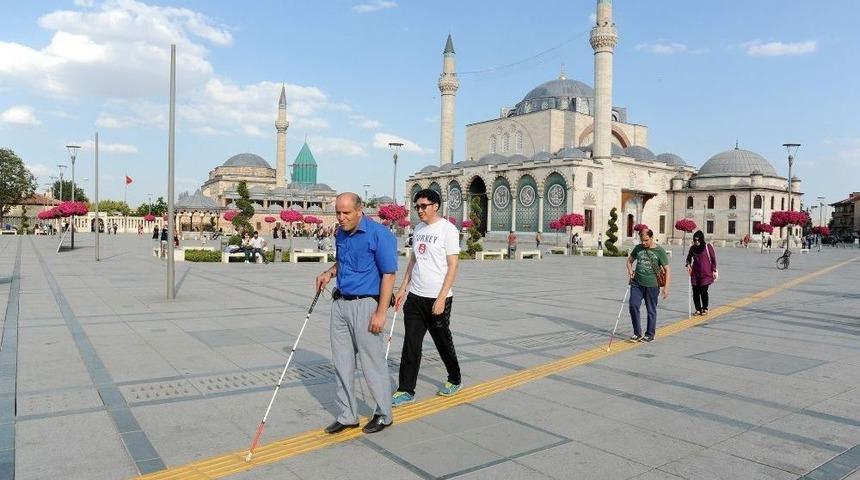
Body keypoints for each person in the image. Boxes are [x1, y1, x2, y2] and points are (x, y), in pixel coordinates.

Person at [315, 192, 396, 435]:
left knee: (372, 362)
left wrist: (381, 313)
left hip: (366, 305)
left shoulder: (379, 235)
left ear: (360, 210)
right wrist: (329, 272)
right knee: (341, 362)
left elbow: (389, 275)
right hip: (341, 304)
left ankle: (383, 413)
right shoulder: (340, 233)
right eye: (338, 212)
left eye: (346, 213)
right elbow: (345, 261)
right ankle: (347, 415)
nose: (341, 218)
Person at [392, 189, 462, 407]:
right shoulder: (418, 229)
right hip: (415, 297)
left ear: (435, 206)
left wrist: (442, 298)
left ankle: (455, 378)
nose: (420, 210)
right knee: (411, 343)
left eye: (424, 206)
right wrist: (403, 288)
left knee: (442, 340)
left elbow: (453, 266)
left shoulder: (448, 229)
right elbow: (414, 261)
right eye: (417, 207)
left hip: (438, 298)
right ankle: (406, 389)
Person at [626, 228, 670, 342]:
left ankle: (650, 334)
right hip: (637, 283)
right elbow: (629, 261)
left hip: (652, 285)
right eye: (642, 240)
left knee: (651, 310)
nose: (643, 243)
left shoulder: (660, 251)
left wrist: (666, 287)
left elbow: (667, 269)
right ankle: (637, 332)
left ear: (651, 237)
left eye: (646, 240)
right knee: (633, 305)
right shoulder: (638, 248)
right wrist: (630, 271)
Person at [685, 230, 717, 316]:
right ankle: (698, 309)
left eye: (698, 240)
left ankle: (705, 308)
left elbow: (713, 259)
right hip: (695, 273)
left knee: (703, 291)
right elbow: (688, 258)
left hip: (706, 274)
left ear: (701, 239)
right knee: (695, 292)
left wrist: (714, 269)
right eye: (695, 240)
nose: (696, 242)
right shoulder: (692, 248)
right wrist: (688, 265)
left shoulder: (708, 247)